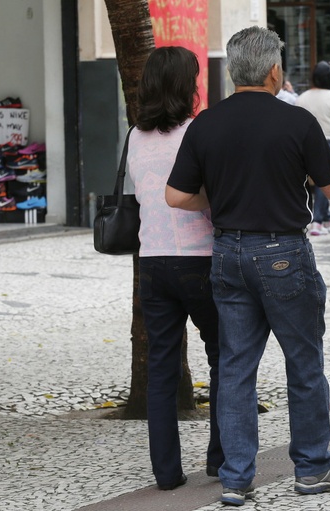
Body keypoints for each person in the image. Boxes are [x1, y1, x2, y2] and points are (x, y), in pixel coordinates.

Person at [165, 26, 330, 506]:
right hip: (283, 253)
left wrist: (217, 199)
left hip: (228, 254)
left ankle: (236, 478)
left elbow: (175, 195)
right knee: (303, 362)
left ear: (234, 70)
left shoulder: (205, 124)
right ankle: (313, 468)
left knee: (236, 368)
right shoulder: (296, 121)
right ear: (274, 69)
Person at [127, 46, 223, 491]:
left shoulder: (134, 136)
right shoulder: (199, 132)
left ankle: (166, 472)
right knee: (225, 355)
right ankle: (221, 458)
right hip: (200, 258)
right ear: (188, 86)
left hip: (152, 261)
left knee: (161, 368)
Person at [295, 61, 330, 236]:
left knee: (309, 181)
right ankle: (317, 221)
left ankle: (326, 217)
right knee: (324, 181)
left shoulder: (302, 98)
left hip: (304, 144)